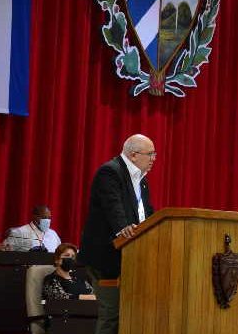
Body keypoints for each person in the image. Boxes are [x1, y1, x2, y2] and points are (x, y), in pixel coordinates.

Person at [79, 134, 156, 334]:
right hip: (107, 258)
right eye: (150, 154)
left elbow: (147, 214)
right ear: (133, 154)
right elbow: (113, 207)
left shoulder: (142, 181)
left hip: (131, 257)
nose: (153, 158)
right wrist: (123, 229)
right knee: (112, 315)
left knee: (129, 315)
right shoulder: (110, 172)